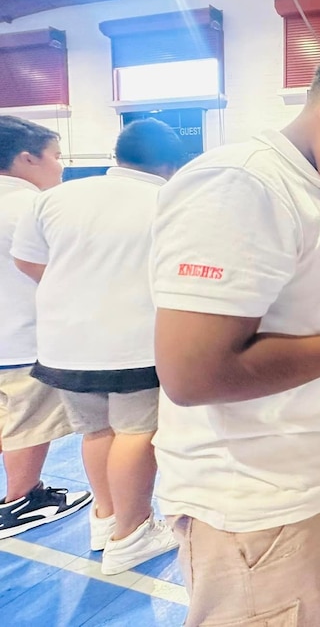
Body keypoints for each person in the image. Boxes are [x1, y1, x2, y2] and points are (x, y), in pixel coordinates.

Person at [149, 45, 320, 626]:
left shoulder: (307, 189)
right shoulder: (243, 185)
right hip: (252, 500)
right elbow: (193, 374)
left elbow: (286, 315)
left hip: (292, 487)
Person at [11, 119, 184, 574]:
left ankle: (105, 520)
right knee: (135, 432)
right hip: (132, 343)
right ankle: (133, 533)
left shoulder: (55, 198)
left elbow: (28, 259)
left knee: (97, 432)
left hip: (63, 344)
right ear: (171, 163)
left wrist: (78, 297)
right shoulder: (171, 200)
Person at [0, 116, 91, 538]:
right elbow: (67, 270)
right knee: (27, 420)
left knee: (7, 417)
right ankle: (21, 499)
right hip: (21, 337)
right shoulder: (31, 207)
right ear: (26, 158)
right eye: (55, 156)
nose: (61, 165)